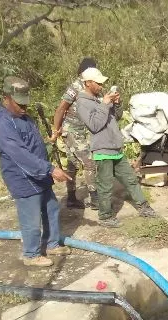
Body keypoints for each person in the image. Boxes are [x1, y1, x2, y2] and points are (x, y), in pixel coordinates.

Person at [0, 76, 72, 267]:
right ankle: (31, 254)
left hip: (40, 174)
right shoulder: (1, 124)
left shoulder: (25, 117)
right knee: (31, 217)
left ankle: (51, 244)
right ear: (6, 98)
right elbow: (20, 155)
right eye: (20, 104)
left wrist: (48, 147)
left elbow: (33, 145)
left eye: (26, 103)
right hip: (22, 177)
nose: (24, 107)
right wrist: (51, 169)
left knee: (51, 208)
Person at [76, 67, 156, 227]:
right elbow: (94, 125)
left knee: (131, 179)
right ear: (88, 83)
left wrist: (117, 104)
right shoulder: (83, 102)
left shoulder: (99, 98)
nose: (101, 86)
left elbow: (116, 117)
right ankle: (105, 217)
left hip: (116, 148)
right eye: (98, 83)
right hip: (103, 150)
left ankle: (143, 207)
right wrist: (105, 104)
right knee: (105, 186)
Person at [50, 57, 99, 209]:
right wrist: (56, 129)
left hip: (82, 131)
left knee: (73, 164)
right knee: (89, 162)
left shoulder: (92, 86)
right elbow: (62, 107)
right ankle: (95, 197)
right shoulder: (76, 86)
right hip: (72, 130)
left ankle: (71, 198)